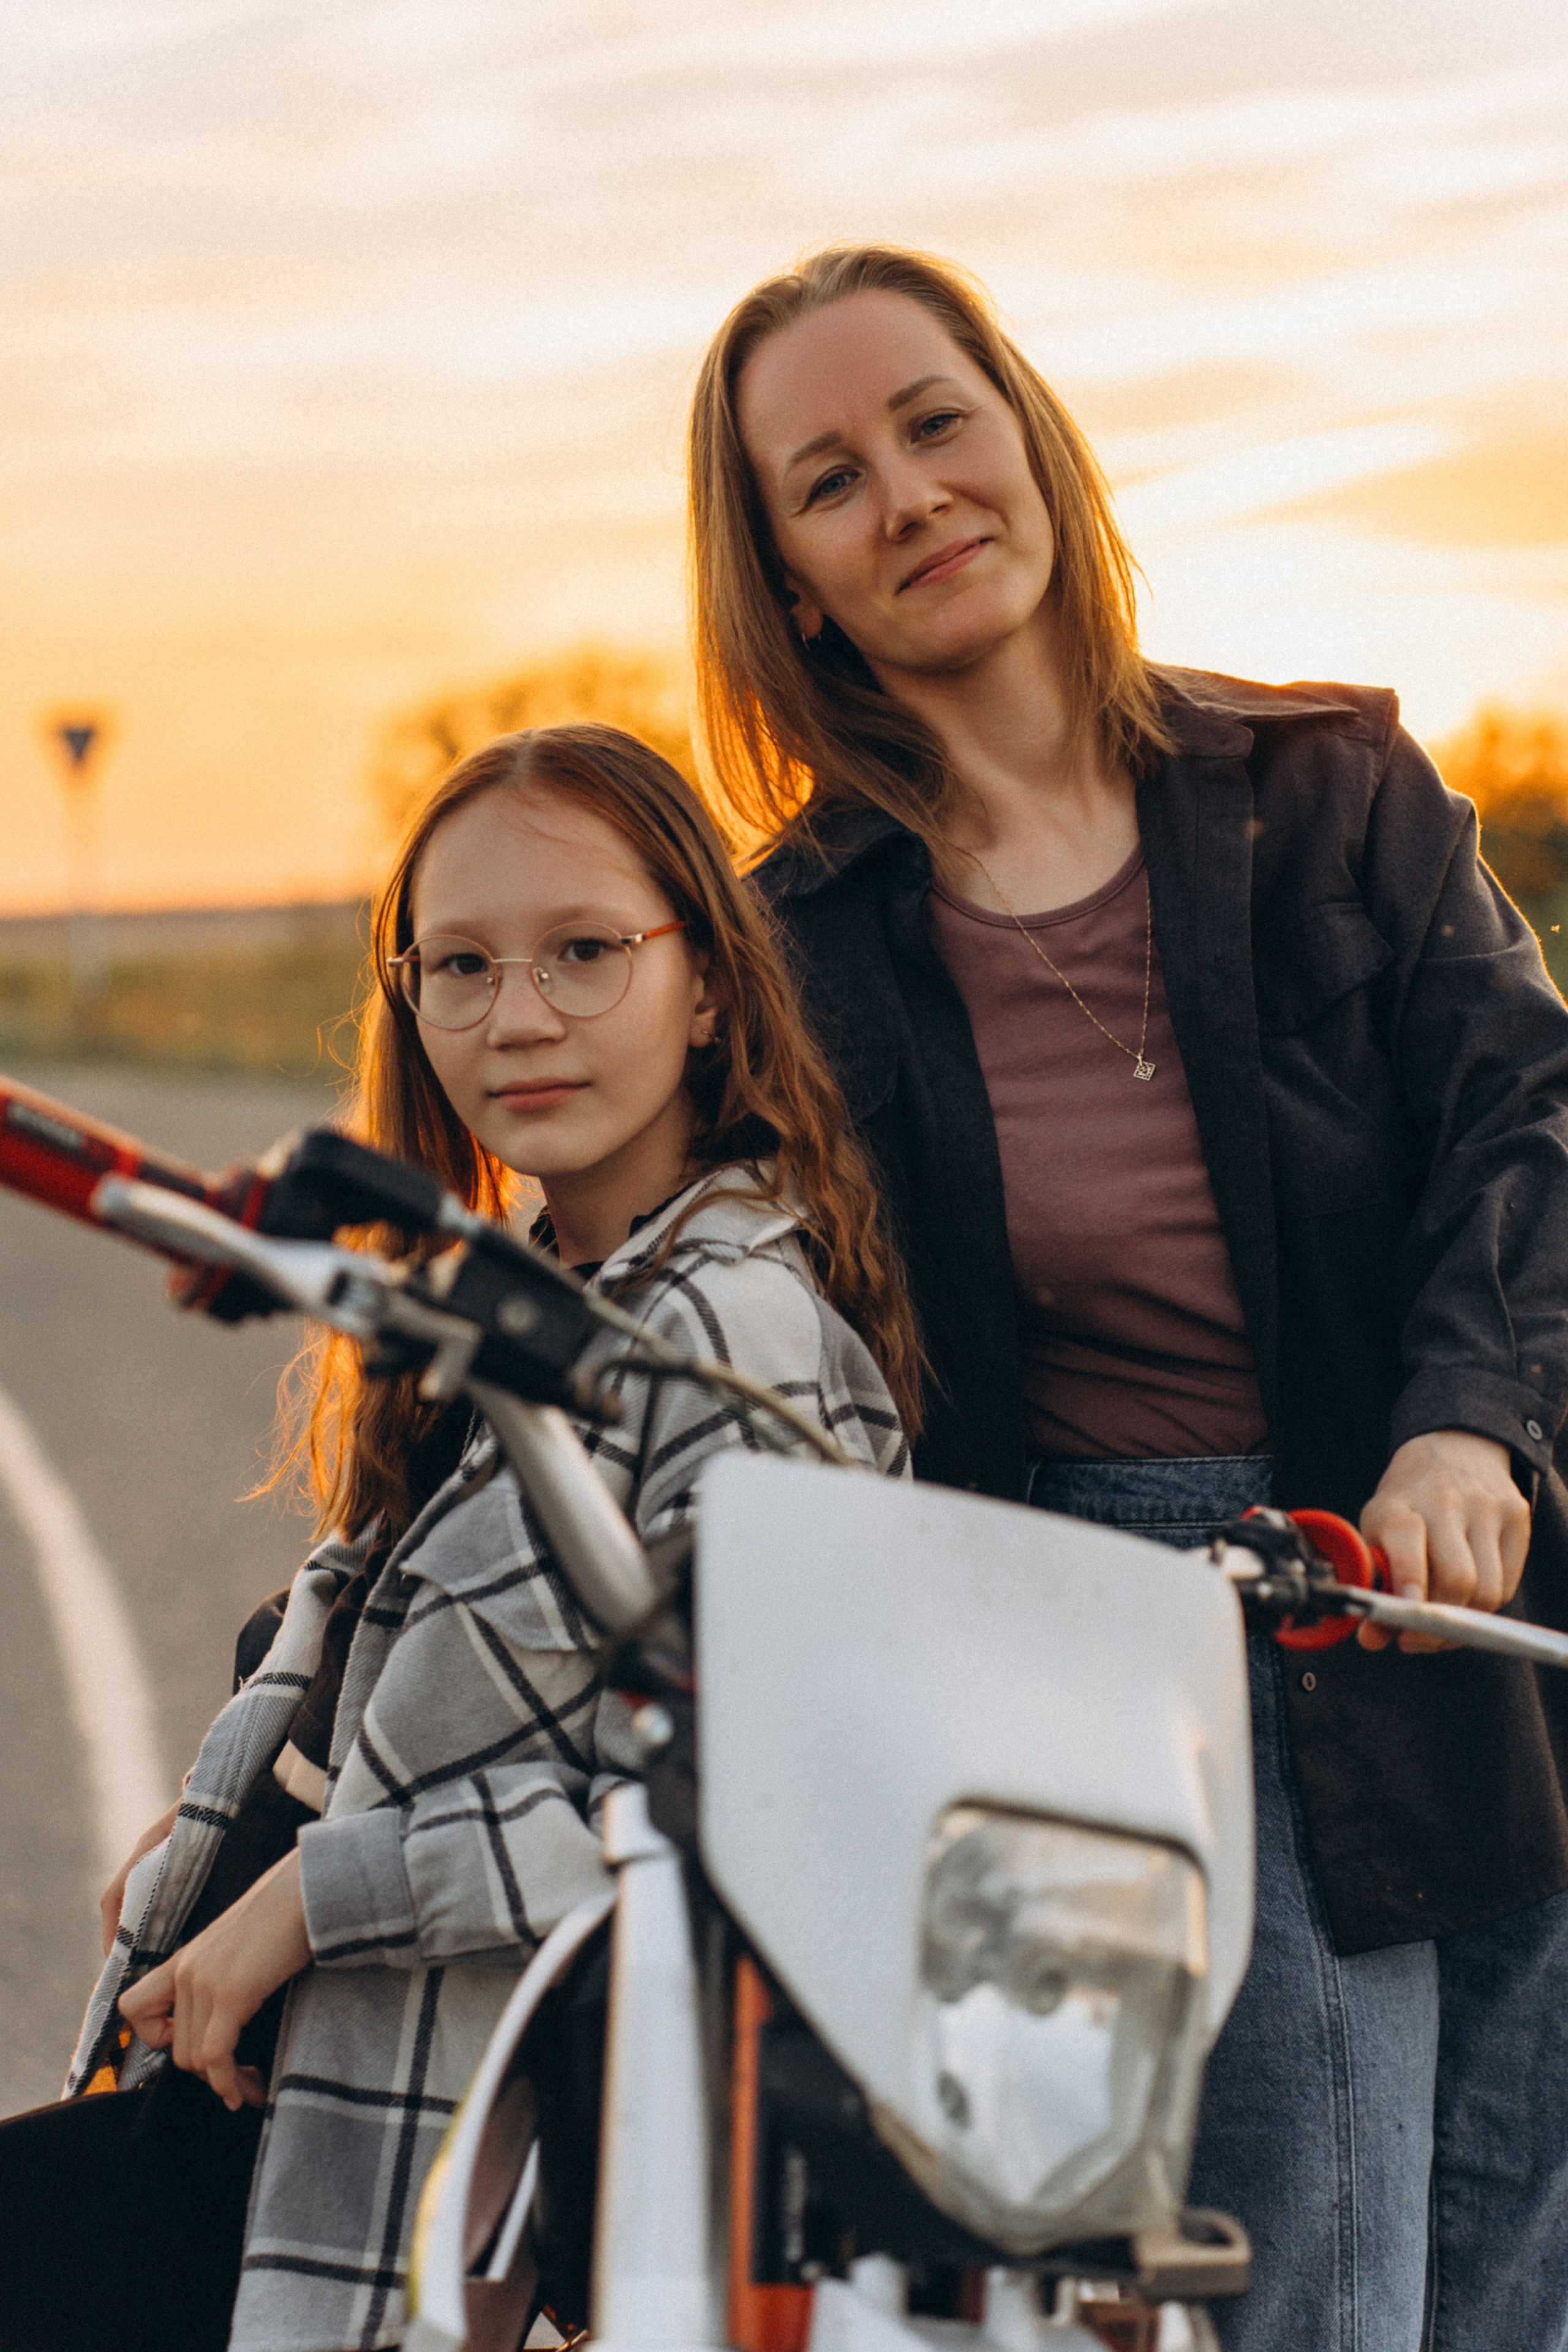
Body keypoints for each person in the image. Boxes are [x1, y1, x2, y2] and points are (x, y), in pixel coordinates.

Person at [684, 243, 1568, 2351]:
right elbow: (647, 1316)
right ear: (790, 580)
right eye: (831, 479)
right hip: (1147, 1649)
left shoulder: (1338, 785)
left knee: (1518, 2279)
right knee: (1315, 2292)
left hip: (1467, 1581)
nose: (909, 495)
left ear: (1029, 437)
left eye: (936, 423)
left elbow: (1528, 1115)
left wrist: (1467, 1420)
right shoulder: (790, 950)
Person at [0, 722, 914, 2352]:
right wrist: (222, 1832)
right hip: (292, 2109)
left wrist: (309, 1899)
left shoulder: (735, 1339)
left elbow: (759, 1824)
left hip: (428, 2173)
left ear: (708, 986)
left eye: (585, 953)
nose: (519, 1017)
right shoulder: (513, 1296)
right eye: (463, 966)